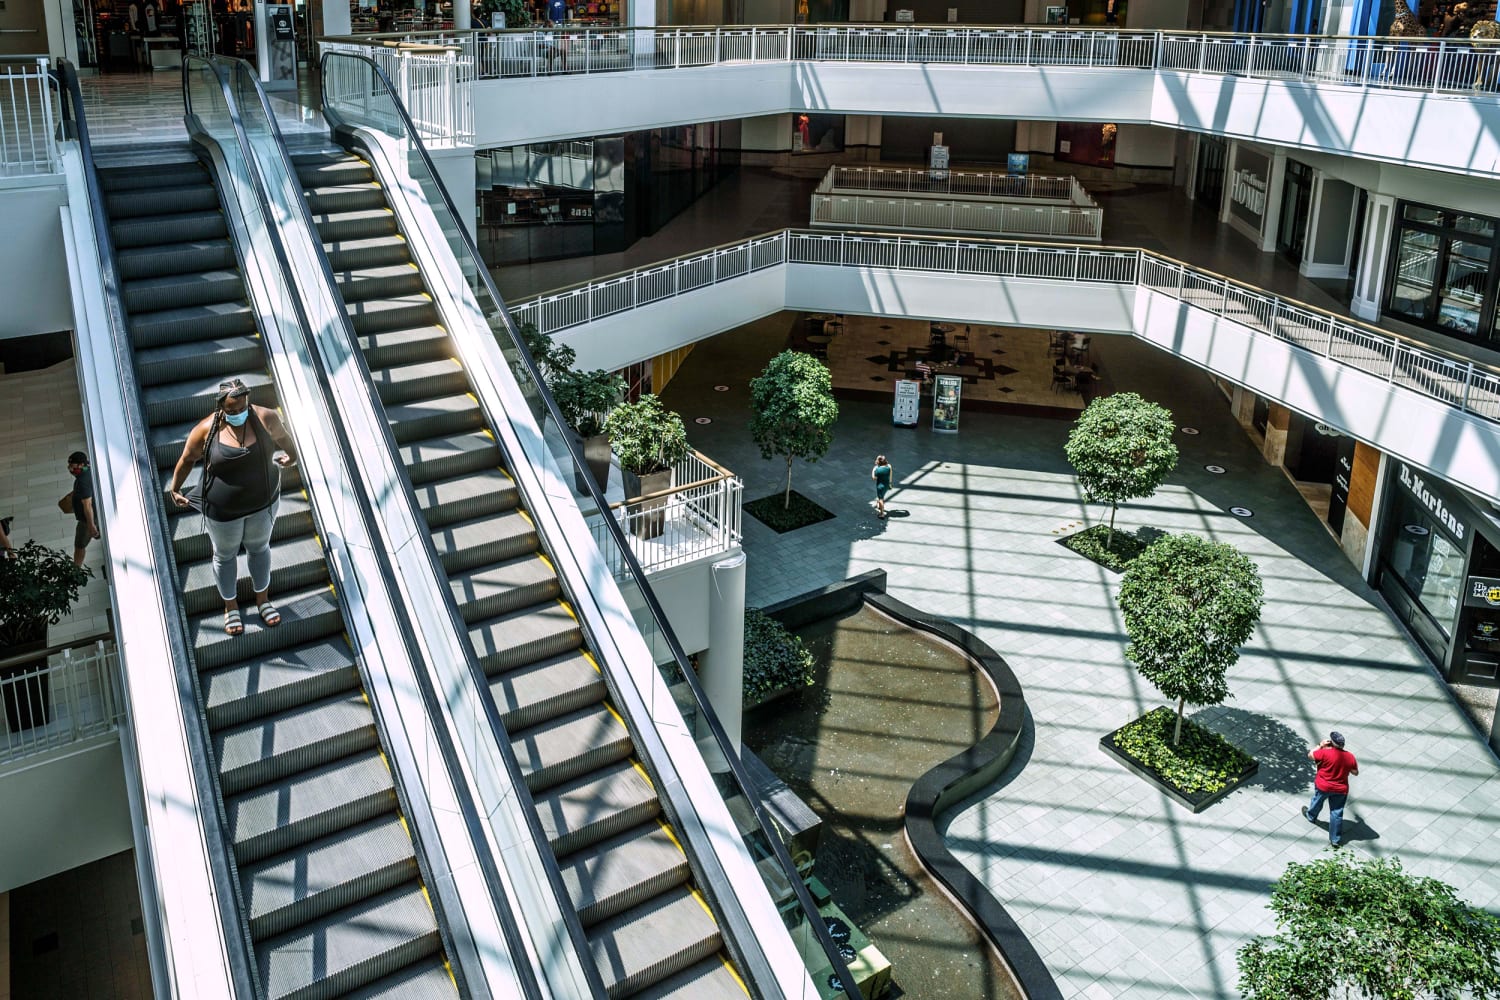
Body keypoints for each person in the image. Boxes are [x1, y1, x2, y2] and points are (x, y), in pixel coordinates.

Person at [167, 378, 296, 637]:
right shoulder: (206, 430)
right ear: (221, 407)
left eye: (242, 408)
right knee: (225, 556)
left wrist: (292, 457)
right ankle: (231, 606)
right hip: (223, 512)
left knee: (259, 549)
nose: (238, 414)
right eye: (232, 411)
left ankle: (262, 600)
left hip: (263, 503)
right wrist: (175, 488)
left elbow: (284, 437)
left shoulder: (265, 418)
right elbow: (186, 459)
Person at [1303, 731, 1359, 847]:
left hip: (1323, 785)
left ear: (1332, 743)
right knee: (1336, 813)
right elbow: (1355, 772)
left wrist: (1320, 745)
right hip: (1340, 789)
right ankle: (1335, 840)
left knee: (1317, 801)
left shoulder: (1324, 753)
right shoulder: (1350, 756)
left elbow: (1310, 755)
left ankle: (1311, 816)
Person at [66, 451, 98, 568]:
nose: (69, 468)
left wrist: (90, 525)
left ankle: (76, 569)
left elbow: (87, 505)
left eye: (72, 466)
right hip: (97, 513)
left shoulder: (82, 481)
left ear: (80, 465)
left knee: (79, 545)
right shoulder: (90, 469)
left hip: (87, 520)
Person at [872, 455, 893, 519]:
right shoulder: (889, 466)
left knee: (881, 499)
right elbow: (890, 475)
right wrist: (890, 484)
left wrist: (873, 470)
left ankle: (882, 513)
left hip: (880, 486)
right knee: (881, 495)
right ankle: (879, 505)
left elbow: (874, 478)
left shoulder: (878, 470)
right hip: (887, 484)